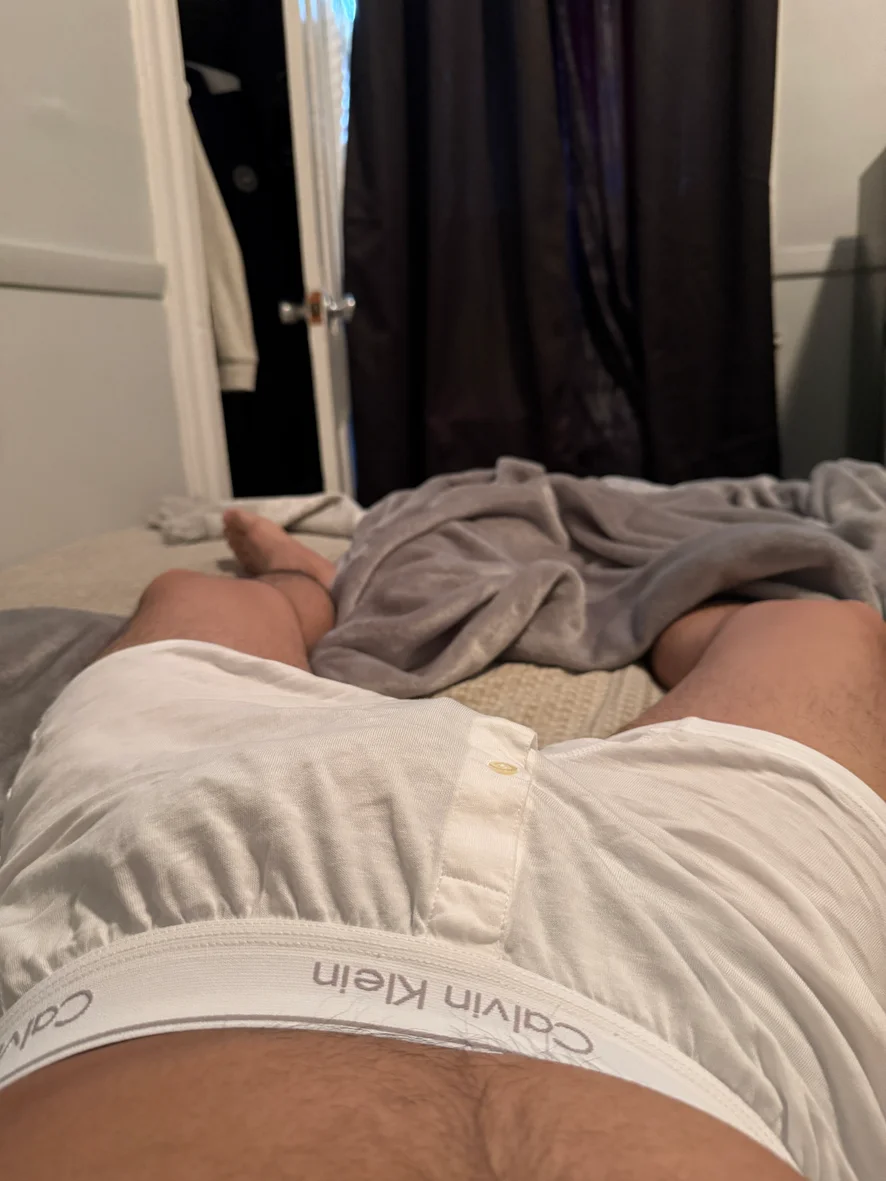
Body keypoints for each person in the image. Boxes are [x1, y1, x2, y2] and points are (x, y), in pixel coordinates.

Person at [2, 510, 886, 1181]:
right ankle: (303, 579)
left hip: (162, 887)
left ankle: (619, 610)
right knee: (828, 629)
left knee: (194, 600)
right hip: (738, 999)